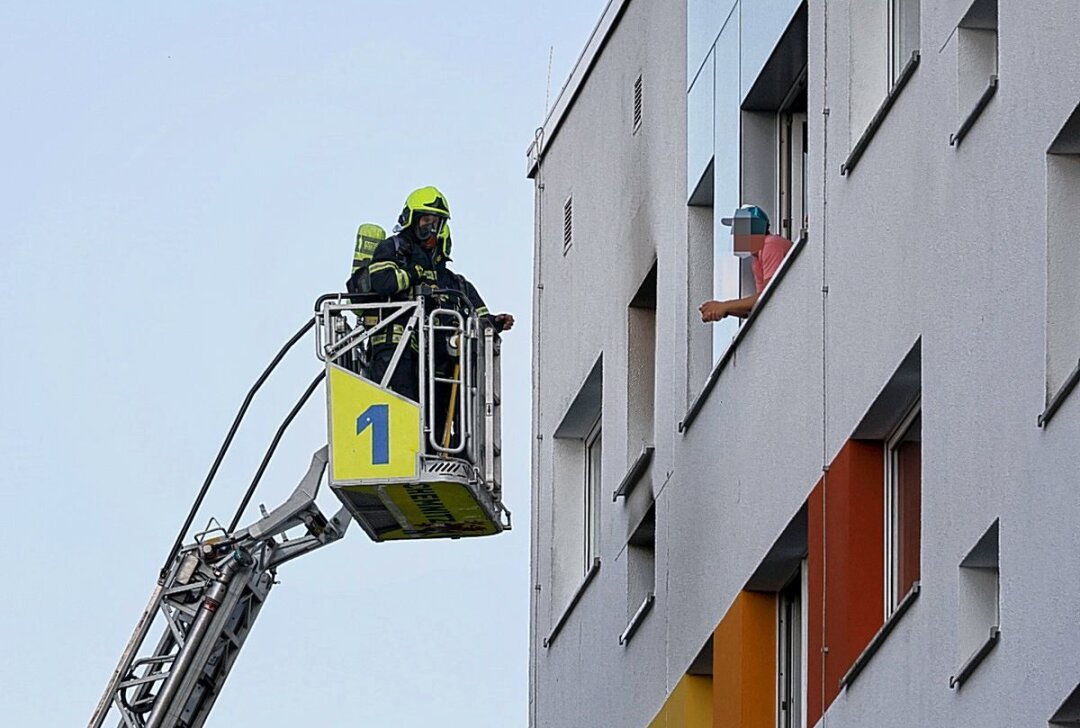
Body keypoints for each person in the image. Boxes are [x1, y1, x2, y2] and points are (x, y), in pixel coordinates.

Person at [364, 186, 514, 415]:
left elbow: (479, 320)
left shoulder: (456, 284)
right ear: (411, 220)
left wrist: (495, 322)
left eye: (436, 224)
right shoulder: (394, 249)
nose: (431, 229)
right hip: (395, 349)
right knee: (401, 409)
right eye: (426, 221)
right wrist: (415, 271)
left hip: (438, 364)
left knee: (437, 416)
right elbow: (384, 283)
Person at [699, 204, 792, 322]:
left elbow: (769, 294)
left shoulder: (770, 244)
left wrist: (724, 306)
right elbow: (759, 303)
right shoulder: (757, 259)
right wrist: (724, 310)